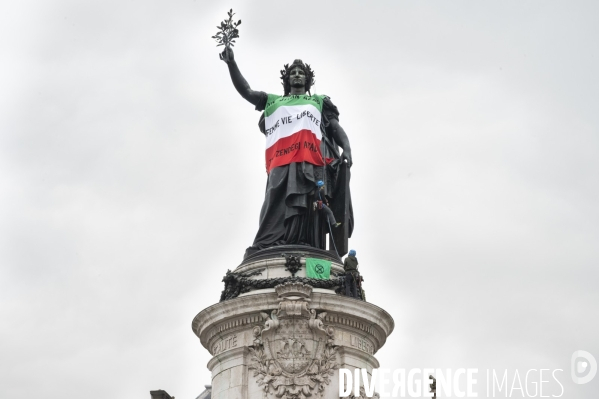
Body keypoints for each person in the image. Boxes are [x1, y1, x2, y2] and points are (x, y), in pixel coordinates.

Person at [220, 47, 354, 257]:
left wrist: (346, 148)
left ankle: (308, 243)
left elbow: (335, 128)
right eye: (293, 72)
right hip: (281, 159)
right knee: (275, 195)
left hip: (311, 159)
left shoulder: (319, 101)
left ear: (308, 80)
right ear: (287, 79)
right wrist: (231, 64)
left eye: (301, 72)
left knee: (311, 201)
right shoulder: (273, 101)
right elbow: (247, 92)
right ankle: (270, 241)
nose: (297, 75)